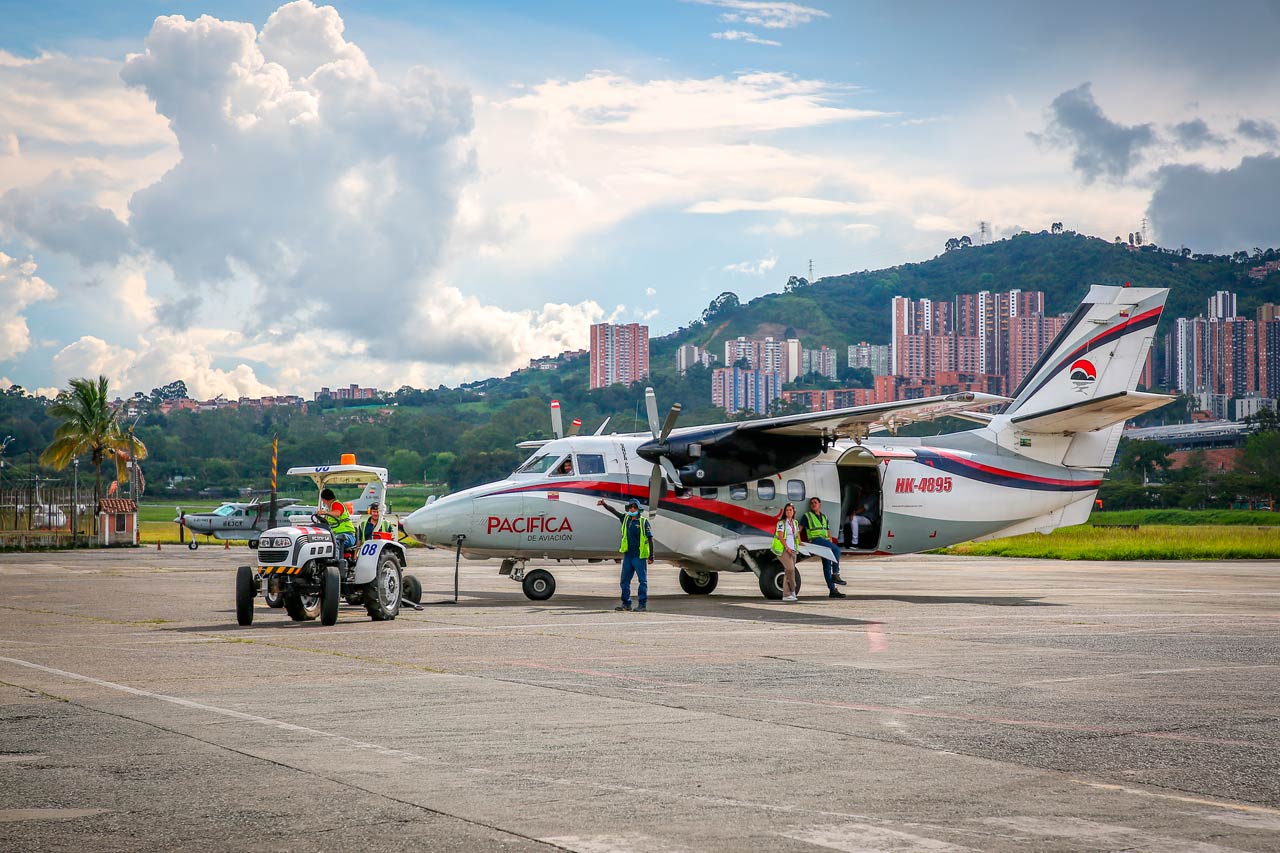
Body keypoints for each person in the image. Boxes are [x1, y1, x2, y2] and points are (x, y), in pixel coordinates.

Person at [597, 498, 651, 612]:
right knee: (624, 581)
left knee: (642, 581)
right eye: (630, 507)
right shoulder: (625, 519)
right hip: (628, 555)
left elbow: (650, 538)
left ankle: (642, 604)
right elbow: (614, 511)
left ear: (638, 509)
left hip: (639, 555)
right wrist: (604, 504)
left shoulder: (643, 521)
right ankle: (626, 603)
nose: (632, 509)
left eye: (634, 507)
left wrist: (651, 556)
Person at [801, 496, 845, 597]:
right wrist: (798, 541)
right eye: (811, 503)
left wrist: (830, 541)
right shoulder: (807, 516)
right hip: (816, 540)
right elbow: (799, 529)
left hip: (825, 541)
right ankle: (836, 573)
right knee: (837, 550)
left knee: (826, 565)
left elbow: (828, 531)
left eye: (815, 502)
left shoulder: (824, 517)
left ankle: (832, 590)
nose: (813, 504)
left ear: (819, 504)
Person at [317, 488, 357, 559]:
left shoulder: (336, 504)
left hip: (347, 535)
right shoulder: (330, 509)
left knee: (335, 541)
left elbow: (337, 513)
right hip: (336, 535)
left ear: (324, 500)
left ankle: (336, 562)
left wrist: (325, 512)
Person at [773, 502, 801, 602]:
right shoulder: (781, 523)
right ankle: (792, 590)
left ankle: (788, 594)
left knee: (788, 572)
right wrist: (787, 547)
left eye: (790, 510)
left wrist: (800, 543)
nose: (789, 512)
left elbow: (796, 534)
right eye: (787, 510)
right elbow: (780, 536)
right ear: (785, 512)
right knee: (790, 569)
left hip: (793, 549)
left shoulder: (795, 523)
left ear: (793, 512)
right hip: (783, 549)